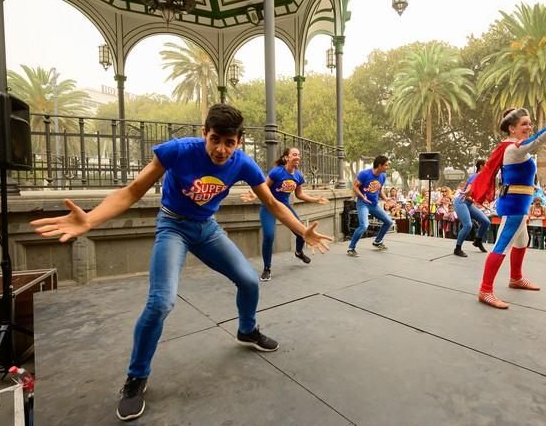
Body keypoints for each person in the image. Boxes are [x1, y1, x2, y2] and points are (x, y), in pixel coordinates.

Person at [29, 104, 332, 422]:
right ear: (204, 134)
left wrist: (302, 231)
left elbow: (271, 202)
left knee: (249, 280)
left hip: (208, 230)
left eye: (229, 142)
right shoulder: (177, 151)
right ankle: (136, 378)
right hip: (173, 227)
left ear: (239, 142)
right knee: (161, 302)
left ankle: (247, 330)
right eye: (215, 139)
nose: (221, 149)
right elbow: (132, 191)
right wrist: (89, 220)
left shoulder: (243, 164)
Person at [469, 103, 546, 309]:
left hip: (519, 204)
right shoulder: (513, 149)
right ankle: (485, 290)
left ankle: (516, 278)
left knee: (521, 241)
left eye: (530, 123)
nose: (529, 126)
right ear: (512, 128)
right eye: (524, 124)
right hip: (513, 206)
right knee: (502, 246)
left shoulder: (514, 148)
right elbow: (539, 138)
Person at [240, 147, 329, 281]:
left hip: (285, 208)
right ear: (287, 157)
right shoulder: (276, 172)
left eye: (299, 155)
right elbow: (263, 187)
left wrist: (316, 199)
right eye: (294, 154)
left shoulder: (298, 176)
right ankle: (267, 269)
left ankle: (299, 252)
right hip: (268, 207)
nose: (298, 157)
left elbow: (299, 194)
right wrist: (254, 194)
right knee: (269, 236)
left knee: (303, 233)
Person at [347, 155, 394, 256]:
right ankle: (351, 248)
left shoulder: (383, 176)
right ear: (380, 165)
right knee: (364, 225)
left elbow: (379, 189)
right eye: (386, 165)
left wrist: (386, 198)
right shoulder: (364, 174)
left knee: (389, 222)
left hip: (374, 204)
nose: (387, 167)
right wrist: (362, 197)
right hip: (363, 203)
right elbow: (355, 187)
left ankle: (377, 241)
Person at [453, 159, 491, 257]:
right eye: (486, 165)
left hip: (469, 204)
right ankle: (457, 248)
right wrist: (468, 193)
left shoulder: (483, 179)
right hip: (461, 202)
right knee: (468, 225)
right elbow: (469, 189)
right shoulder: (476, 176)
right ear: (481, 166)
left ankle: (478, 241)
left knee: (486, 222)